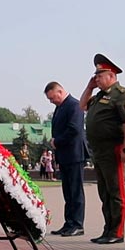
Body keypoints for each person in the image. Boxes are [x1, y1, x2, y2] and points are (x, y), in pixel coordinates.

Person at [81, 54, 125, 244]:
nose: (96, 78)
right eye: (95, 75)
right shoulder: (99, 96)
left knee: (116, 192)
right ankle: (108, 229)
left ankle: (117, 232)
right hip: (100, 151)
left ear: (111, 75)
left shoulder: (121, 95)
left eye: (100, 75)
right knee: (104, 192)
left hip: (114, 149)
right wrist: (89, 88)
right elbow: (82, 106)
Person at [45, 81, 88, 236]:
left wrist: (57, 141)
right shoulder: (61, 107)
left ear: (60, 91)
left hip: (74, 154)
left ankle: (77, 224)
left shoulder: (74, 105)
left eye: (52, 98)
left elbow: (74, 130)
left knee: (76, 191)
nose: (52, 101)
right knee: (68, 192)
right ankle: (69, 223)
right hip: (65, 155)